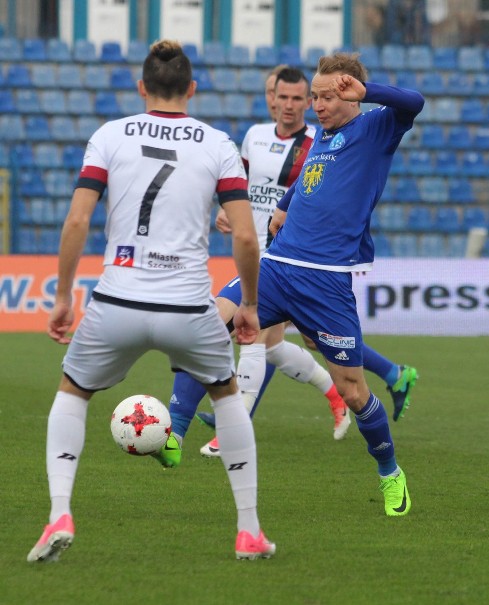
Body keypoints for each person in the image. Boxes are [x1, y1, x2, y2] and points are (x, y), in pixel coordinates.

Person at [27, 40, 274, 563]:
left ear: (141, 88)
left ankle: (59, 513)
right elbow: (247, 239)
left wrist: (65, 294)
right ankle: (249, 531)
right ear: (192, 89)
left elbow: (76, 220)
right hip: (187, 306)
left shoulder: (110, 135)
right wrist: (249, 304)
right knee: (228, 396)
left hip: (117, 299)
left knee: (73, 391)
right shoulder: (217, 144)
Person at [263, 51, 423, 516]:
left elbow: (414, 101)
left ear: (351, 93)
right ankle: (174, 426)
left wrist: (367, 93)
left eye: (326, 95)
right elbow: (315, 174)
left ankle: (390, 473)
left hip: (327, 280)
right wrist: (285, 204)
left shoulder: (374, 128)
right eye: (314, 95)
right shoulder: (325, 137)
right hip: (277, 264)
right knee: (213, 323)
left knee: (353, 391)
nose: (317, 104)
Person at [166, 65, 352, 464]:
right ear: (271, 97)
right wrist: (230, 213)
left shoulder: (321, 140)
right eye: (279, 95)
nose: (285, 104)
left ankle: (229, 430)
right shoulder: (254, 136)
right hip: (255, 250)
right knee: (268, 344)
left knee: (254, 336)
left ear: (307, 101)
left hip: (294, 257)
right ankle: (341, 393)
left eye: (295, 98)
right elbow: (243, 187)